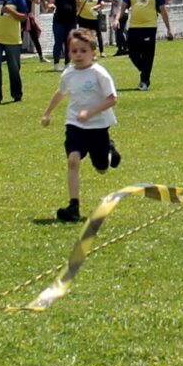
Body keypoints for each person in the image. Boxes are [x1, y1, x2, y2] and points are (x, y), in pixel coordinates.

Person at [41, 26, 122, 223]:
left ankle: (110, 150)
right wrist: (47, 113)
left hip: (98, 126)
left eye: (83, 51)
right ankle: (73, 206)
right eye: (74, 51)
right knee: (73, 160)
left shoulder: (99, 73)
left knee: (102, 168)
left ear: (93, 53)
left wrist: (91, 112)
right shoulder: (68, 73)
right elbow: (60, 93)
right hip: (75, 125)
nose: (78, 55)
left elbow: (112, 99)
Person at [119, 0, 172, 89]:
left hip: (149, 27)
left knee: (148, 54)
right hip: (134, 26)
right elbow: (123, 7)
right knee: (132, 53)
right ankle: (145, 70)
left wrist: (169, 29)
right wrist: (116, 19)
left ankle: (144, 81)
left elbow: (163, 11)